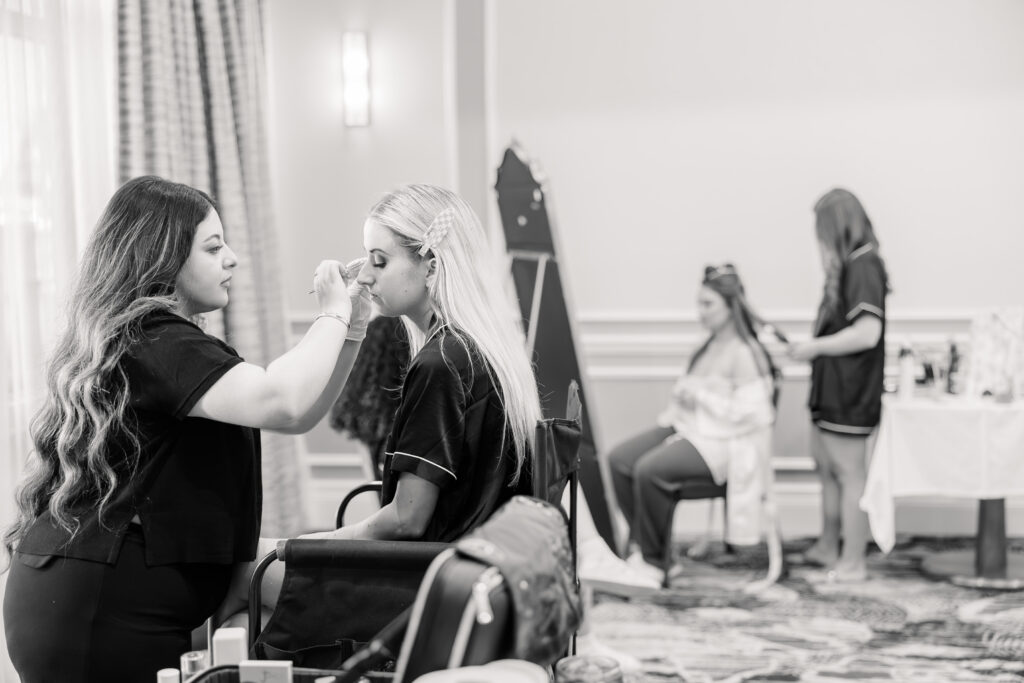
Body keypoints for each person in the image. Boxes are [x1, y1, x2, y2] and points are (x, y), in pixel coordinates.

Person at [2, 176, 370, 683]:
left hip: (76, 597)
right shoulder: (155, 340)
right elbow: (282, 400)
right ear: (164, 258)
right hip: (96, 612)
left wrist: (350, 332)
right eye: (214, 247)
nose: (232, 259)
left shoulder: (155, 340)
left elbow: (299, 415)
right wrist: (331, 310)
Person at [307, 183, 544, 544]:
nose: (365, 277)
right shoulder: (474, 348)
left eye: (380, 261)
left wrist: (320, 542)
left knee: (249, 570)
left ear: (431, 268)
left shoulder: (441, 365)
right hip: (475, 559)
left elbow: (406, 520)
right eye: (365, 260)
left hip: (426, 572)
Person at [607, 264, 778, 581]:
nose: (700, 312)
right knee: (619, 461)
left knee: (649, 469)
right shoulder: (706, 346)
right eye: (699, 303)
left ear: (731, 305)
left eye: (708, 304)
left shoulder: (745, 352)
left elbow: (756, 414)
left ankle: (654, 562)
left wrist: (701, 396)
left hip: (726, 442)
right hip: (689, 427)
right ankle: (650, 545)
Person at [787, 188, 889, 582]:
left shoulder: (864, 265)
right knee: (828, 469)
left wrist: (814, 347)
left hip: (851, 392)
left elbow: (867, 332)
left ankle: (852, 561)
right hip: (832, 389)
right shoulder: (849, 266)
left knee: (849, 474)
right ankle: (830, 545)